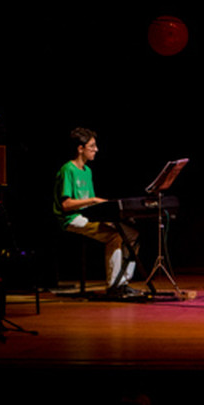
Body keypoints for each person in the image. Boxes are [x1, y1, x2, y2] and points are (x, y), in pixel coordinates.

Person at [53, 127, 139, 298]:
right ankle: (114, 285)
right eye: (92, 146)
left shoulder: (88, 171)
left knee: (131, 234)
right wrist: (93, 200)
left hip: (88, 216)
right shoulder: (67, 170)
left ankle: (123, 281)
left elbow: (94, 208)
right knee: (115, 235)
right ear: (80, 148)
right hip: (72, 219)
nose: (96, 149)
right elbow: (66, 204)